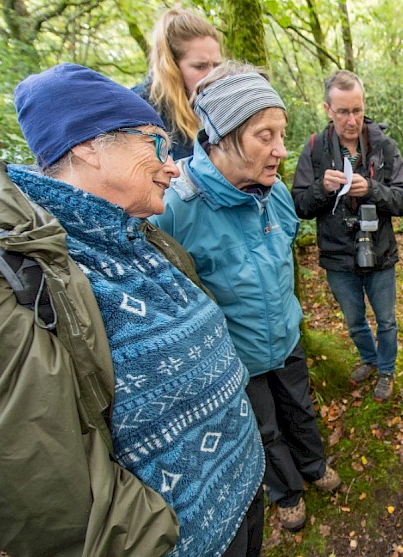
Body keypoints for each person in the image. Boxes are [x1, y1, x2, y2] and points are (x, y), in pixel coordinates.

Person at [0, 64, 287, 557]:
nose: (172, 167)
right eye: (154, 144)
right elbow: (32, 483)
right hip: (182, 554)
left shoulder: (138, 235)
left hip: (240, 497)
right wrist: (157, 545)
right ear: (88, 148)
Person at [151, 61, 341, 533]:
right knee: (264, 428)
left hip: (286, 337)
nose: (281, 149)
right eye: (265, 136)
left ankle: (314, 466)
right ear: (219, 135)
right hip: (235, 360)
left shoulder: (274, 192)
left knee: (300, 408)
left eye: (282, 133)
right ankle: (287, 493)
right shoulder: (175, 209)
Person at [291, 70, 403, 402]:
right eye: (343, 111)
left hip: (380, 252)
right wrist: (322, 188)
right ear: (328, 109)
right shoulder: (315, 149)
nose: (352, 120)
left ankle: (386, 370)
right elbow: (300, 205)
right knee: (355, 320)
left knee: (386, 320)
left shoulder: (384, 146)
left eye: (357, 110)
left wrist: (372, 189)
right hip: (337, 256)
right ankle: (370, 360)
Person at [133, 6, 222, 160]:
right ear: (172, 66)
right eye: (200, 66)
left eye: (216, 66)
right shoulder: (139, 111)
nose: (212, 75)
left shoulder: (220, 106)